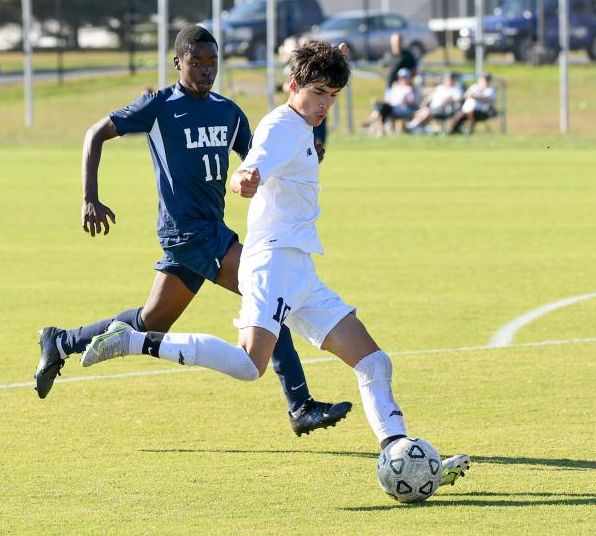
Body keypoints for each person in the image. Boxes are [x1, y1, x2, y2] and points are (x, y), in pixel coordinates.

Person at [81, 40, 471, 485]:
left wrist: (335, 58)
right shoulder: (283, 127)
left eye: (332, 95)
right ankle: (133, 342)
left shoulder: (302, 128)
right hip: (271, 265)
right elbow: (254, 163)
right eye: (318, 92)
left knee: (375, 363)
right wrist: (245, 177)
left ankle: (400, 453)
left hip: (299, 268)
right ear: (294, 85)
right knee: (250, 365)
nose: (324, 104)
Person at [34, 25, 352, 437]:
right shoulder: (159, 106)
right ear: (178, 62)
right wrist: (89, 198)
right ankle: (300, 405)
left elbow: (262, 159)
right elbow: (95, 133)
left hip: (210, 231)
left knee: (152, 324)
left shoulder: (228, 111)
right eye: (197, 62)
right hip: (189, 233)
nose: (206, 70)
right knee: (271, 299)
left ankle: (60, 341)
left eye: (212, 62)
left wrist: (308, 151)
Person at [362, 68, 418, 136]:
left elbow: (413, 101)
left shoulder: (409, 88)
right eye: (401, 77)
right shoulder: (395, 87)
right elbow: (388, 99)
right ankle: (378, 128)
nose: (403, 79)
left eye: (405, 77)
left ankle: (371, 123)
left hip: (401, 109)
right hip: (391, 107)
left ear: (409, 78)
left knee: (380, 110)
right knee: (379, 107)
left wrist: (405, 101)